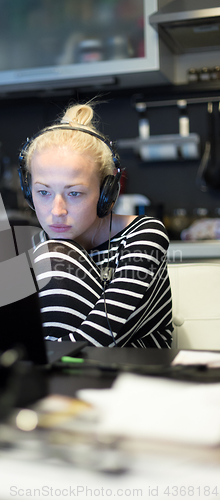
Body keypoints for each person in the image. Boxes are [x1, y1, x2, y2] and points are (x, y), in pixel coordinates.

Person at [18, 102, 173, 348]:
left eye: (75, 193)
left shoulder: (145, 235)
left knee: (55, 256)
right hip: (61, 378)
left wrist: (32, 359)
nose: (57, 212)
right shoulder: (35, 243)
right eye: (43, 192)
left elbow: (100, 337)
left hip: (139, 375)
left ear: (106, 192)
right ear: (28, 191)